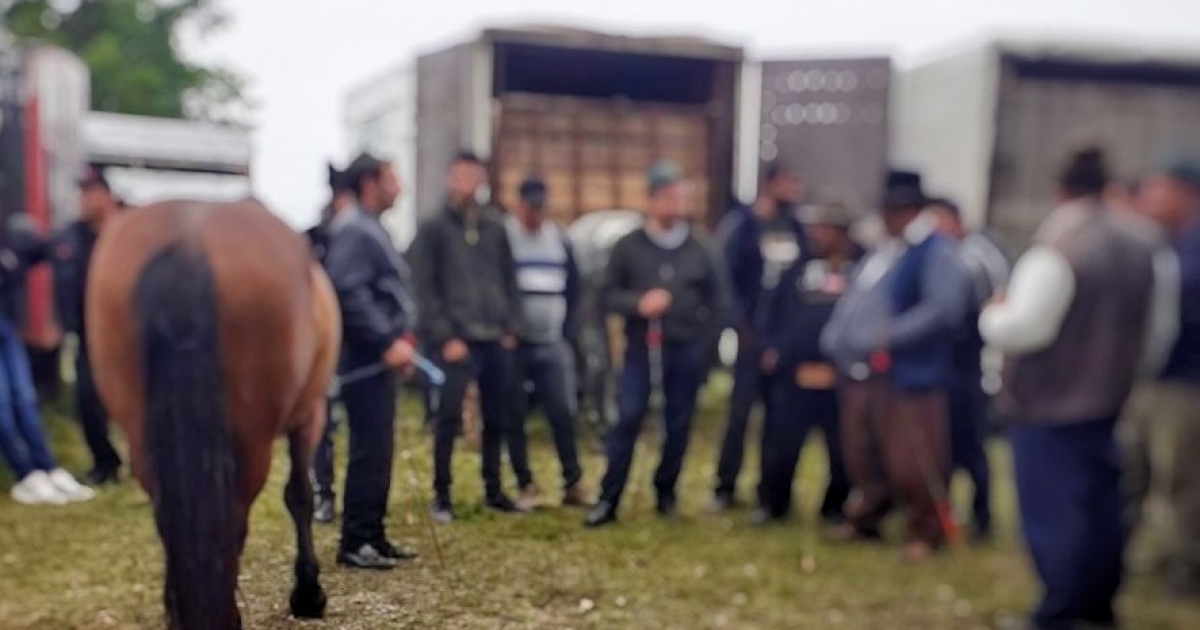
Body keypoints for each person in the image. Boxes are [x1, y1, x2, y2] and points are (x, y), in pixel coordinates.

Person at [980, 147, 1178, 629]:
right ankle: (1097, 607)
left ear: (1060, 189)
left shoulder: (1058, 244)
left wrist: (992, 313)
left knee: (1054, 515)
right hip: (1110, 398)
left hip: (1048, 403)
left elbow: (1026, 328)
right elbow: (1159, 332)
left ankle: (1060, 612)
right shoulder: (1145, 244)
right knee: (1102, 510)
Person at [820, 170, 970, 560]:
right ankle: (867, 516)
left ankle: (925, 529)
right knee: (863, 451)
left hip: (911, 377)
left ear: (907, 211)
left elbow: (943, 310)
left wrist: (893, 336)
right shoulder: (886, 251)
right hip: (867, 373)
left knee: (914, 460)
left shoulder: (936, 252)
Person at [585, 160, 726, 528]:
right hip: (641, 350)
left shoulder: (701, 248)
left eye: (682, 196)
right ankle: (608, 498)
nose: (676, 203)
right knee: (628, 418)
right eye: (668, 196)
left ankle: (666, 492)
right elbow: (606, 295)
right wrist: (638, 304)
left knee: (677, 425)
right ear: (651, 200)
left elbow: (719, 301)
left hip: (686, 351)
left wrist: (705, 348)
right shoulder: (629, 247)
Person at [409, 151, 524, 524]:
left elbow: (509, 279)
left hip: (494, 336)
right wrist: (444, 337)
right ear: (449, 179)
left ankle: (494, 489)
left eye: (474, 177)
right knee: (447, 418)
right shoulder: (433, 229)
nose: (467, 184)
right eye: (460, 176)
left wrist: (510, 325)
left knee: (497, 416)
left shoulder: (495, 226)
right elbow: (424, 289)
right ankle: (441, 494)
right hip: (456, 339)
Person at [323, 152, 419, 570]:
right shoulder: (355, 231)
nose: (399, 187)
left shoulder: (371, 228)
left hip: (381, 358)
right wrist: (385, 341)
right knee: (367, 449)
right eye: (391, 178)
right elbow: (349, 291)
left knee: (379, 448)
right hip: (364, 361)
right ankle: (355, 541)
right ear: (369, 184)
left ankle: (373, 535)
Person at [1120, 155, 1200, 599]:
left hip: (1186, 385)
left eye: (1158, 190)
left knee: (1183, 483)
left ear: (1186, 194)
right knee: (1135, 472)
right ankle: (1127, 557)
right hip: (1155, 380)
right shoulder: (1166, 243)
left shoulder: (1192, 248)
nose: (1148, 200)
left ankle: (1186, 571)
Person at [754, 201, 861, 525]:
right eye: (815, 228)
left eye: (825, 228)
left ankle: (836, 506)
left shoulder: (860, 272)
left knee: (843, 450)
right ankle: (773, 503)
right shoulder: (796, 269)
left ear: (842, 233)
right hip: (794, 374)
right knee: (781, 444)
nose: (817, 234)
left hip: (840, 377)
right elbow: (771, 310)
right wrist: (771, 348)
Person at [709, 162, 807, 513]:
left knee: (776, 417)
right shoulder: (743, 226)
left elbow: (799, 285)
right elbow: (725, 280)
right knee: (740, 414)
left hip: (780, 340)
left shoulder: (795, 228)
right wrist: (739, 326)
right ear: (770, 184)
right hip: (749, 335)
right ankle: (724, 487)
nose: (795, 189)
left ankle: (769, 492)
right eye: (788, 182)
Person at [501, 177, 589, 510]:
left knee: (563, 412)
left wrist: (568, 328)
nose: (535, 215)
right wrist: (507, 327)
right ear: (519, 204)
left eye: (541, 208)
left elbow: (576, 287)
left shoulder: (559, 239)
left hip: (552, 341)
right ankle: (525, 484)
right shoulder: (505, 238)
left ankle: (573, 481)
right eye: (530, 208)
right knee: (515, 415)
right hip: (516, 343)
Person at [927, 197, 1010, 541]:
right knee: (943, 443)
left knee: (973, 445)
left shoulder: (979, 257)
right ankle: (945, 513)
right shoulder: (940, 256)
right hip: (944, 365)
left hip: (969, 365)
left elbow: (992, 308)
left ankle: (982, 517)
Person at [0, 207, 94, 505]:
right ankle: (26, 474)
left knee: (25, 400)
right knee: (2, 406)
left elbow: (45, 248)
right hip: (7, 329)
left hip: (6, 329)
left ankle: (48, 468)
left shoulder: (10, 242)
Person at [51, 165, 124, 486]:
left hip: (129, 335)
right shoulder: (71, 236)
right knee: (87, 401)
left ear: (106, 196)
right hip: (89, 334)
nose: (83, 200)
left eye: (90, 193)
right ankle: (105, 462)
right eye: (81, 193)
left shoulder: (130, 231)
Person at [308, 162, 356, 525]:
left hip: (355, 338)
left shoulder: (358, 231)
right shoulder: (318, 236)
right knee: (322, 423)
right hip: (326, 338)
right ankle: (324, 492)